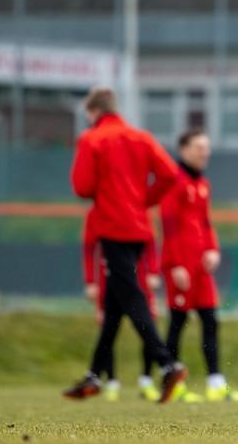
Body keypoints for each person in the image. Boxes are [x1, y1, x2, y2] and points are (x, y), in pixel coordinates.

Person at [63, 88, 187, 403]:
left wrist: (110, 195)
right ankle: (94, 375)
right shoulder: (142, 138)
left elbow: (82, 187)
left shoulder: (91, 139)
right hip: (139, 228)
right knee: (114, 305)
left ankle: (167, 364)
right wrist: (143, 200)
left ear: (93, 112)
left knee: (131, 297)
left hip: (112, 227)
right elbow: (170, 174)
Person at [160, 128, 238, 403]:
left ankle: (215, 383)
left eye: (207, 147)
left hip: (201, 266)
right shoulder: (173, 181)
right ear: (184, 149)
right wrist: (176, 264)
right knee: (178, 321)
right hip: (181, 264)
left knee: (210, 320)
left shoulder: (202, 183)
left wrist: (212, 249)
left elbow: (205, 222)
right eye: (200, 147)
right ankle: (172, 383)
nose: (205, 152)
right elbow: (169, 224)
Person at [81, 208, 162, 401]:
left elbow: (150, 241)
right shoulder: (96, 213)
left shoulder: (139, 208)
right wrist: (91, 281)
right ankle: (111, 382)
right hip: (110, 279)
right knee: (108, 329)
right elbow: (89, 247)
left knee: (148, 326)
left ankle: (146, 380)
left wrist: (153, 271)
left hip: (138, 280)